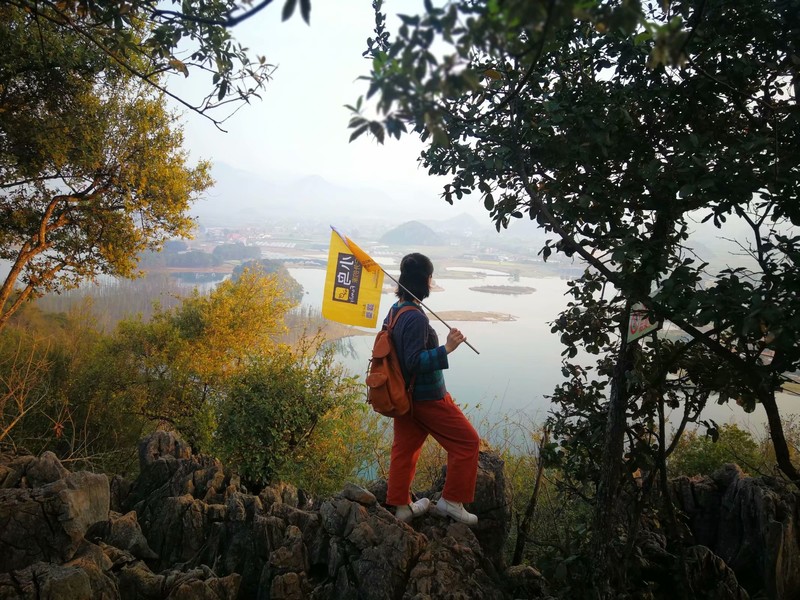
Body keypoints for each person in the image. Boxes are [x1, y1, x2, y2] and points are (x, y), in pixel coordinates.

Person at [385, 253, 481, 525]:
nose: (431, 281)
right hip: (427, 397)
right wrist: (447, 348)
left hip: (405, 397)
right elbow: (414, 361)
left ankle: (402, 506)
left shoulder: (396, 310)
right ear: (425, 280)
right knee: (467, 443)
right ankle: (452, 501)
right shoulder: (415, 317)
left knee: (405, 450)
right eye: (430, 277)